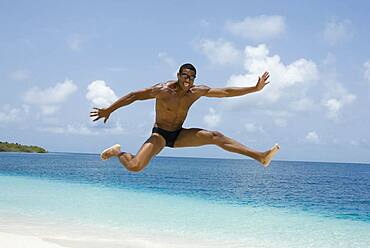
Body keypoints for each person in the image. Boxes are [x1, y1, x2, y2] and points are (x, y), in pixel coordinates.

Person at [90, 63, 280, 172]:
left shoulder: (197, 91)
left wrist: (254, 89)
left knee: (215, 136)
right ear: (178, 75)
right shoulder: (163, 90)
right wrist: (109, 110)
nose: (188, 80)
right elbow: (133, 96)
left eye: (191, 77)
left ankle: (260, 157)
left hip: (179, 134)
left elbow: (225, 91)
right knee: (134, 166)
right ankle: (117, 152)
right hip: (160, 135)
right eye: (185, 76)